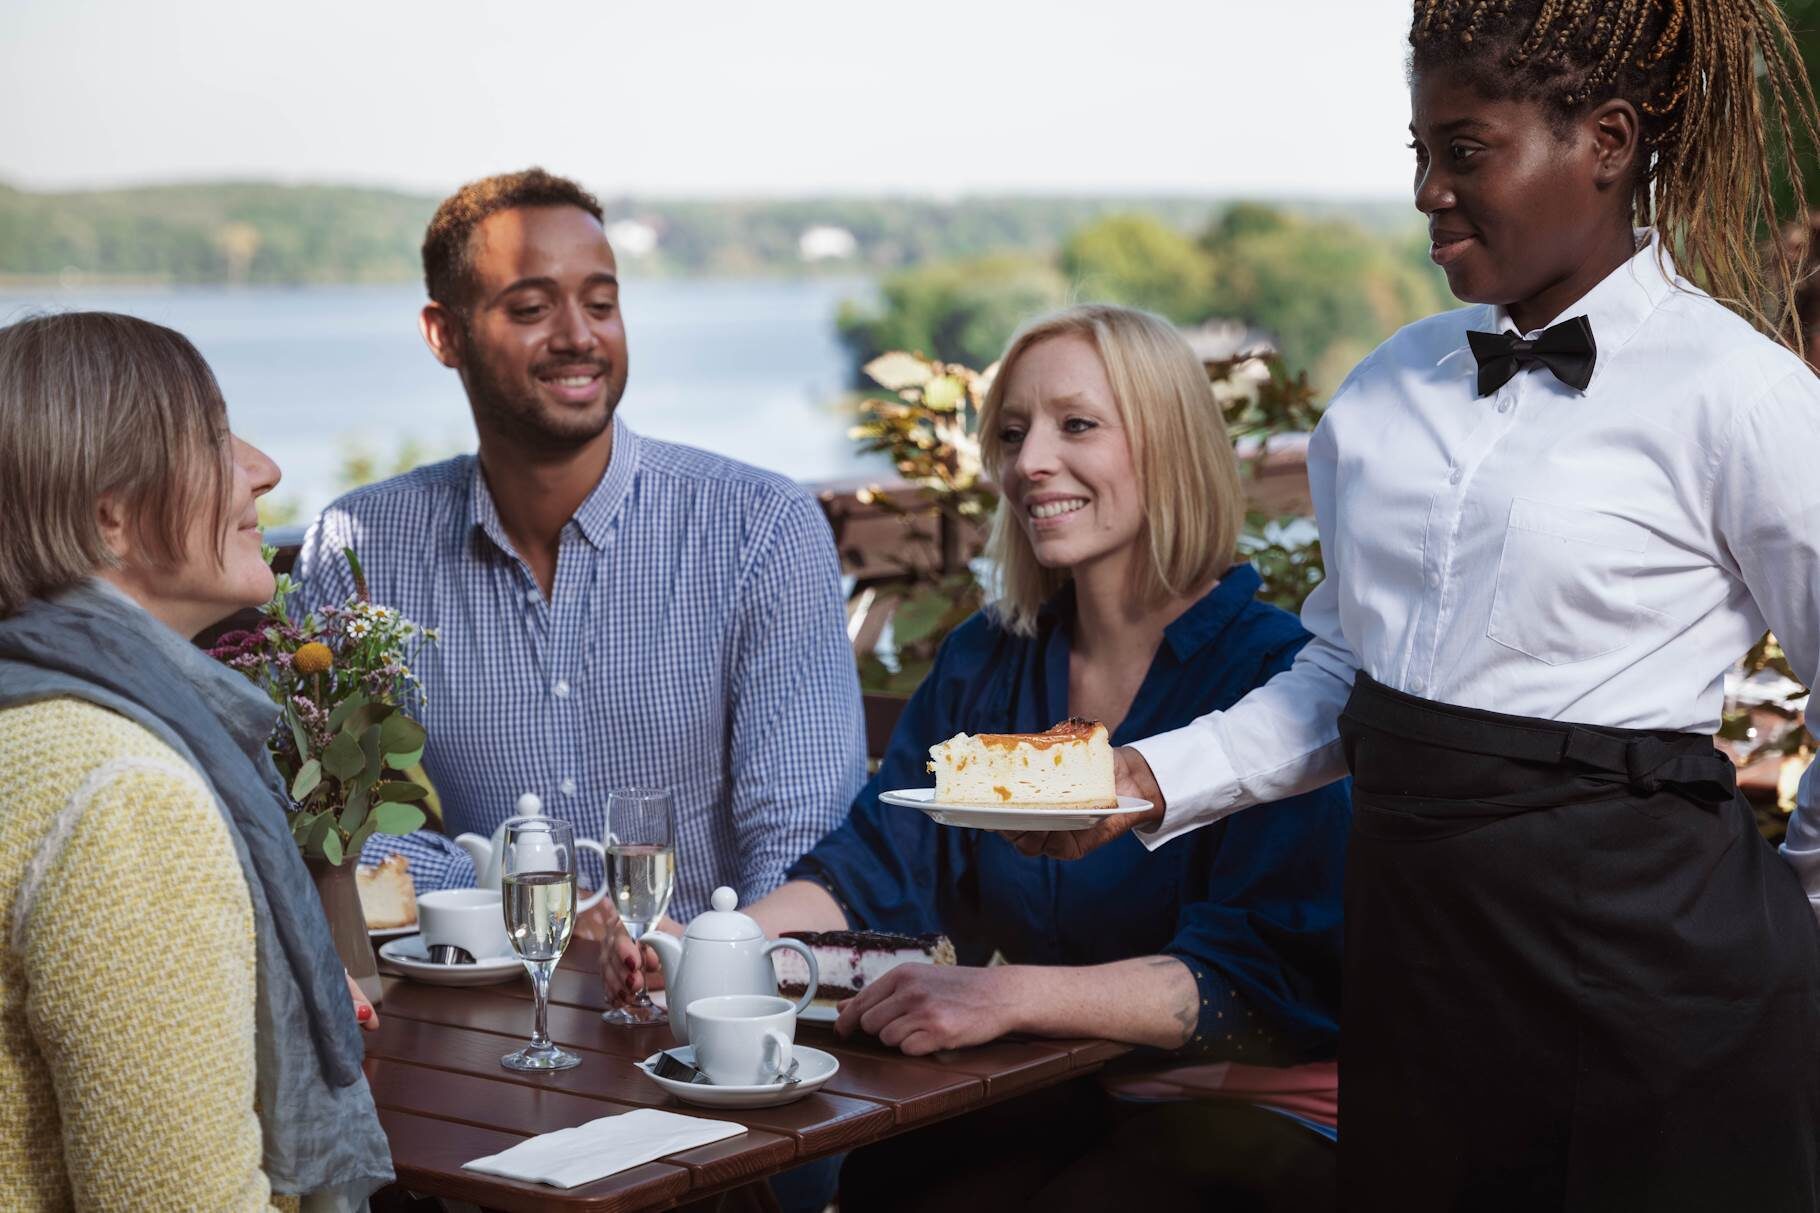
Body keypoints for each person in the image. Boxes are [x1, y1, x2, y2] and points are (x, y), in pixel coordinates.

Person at [1012, 4, 1820, 1209]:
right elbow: (1346, 679)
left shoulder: (1741, 394)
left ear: (1602, 140)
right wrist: (1146, 783)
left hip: (1667, 993)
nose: (1426, 191)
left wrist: (1796, 936)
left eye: (1465, 150)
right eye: (1415, 155)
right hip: (1417, 982)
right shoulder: (1384, 391)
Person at [604, 304, 1350, 1212]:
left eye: (1076, 424)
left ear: (1170, 445)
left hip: (1266, 1113)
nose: (1029, 460)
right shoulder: (987, 658)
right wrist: (709, 946)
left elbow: (1253, 981)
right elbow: (874, 866)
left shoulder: (1277, 682)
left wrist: (1004, 998)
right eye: (1011, 431)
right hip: (1076, 1090)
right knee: (894, 1184)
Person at [293, 168, 866, 923]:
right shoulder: (361, 549)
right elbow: (319, 818)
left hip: (720, 1005)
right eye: (531, 307)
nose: (578, 336)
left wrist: (707, 975)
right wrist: (514, 893)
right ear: (445, 334)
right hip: (487, 1011)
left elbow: (805, 839)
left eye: (602, 304)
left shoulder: (759, 528)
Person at [0, 312, 392, 1210]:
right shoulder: (123, 791)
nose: (263, 468)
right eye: (215, 437)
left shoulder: (30, 715)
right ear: (111, 515)